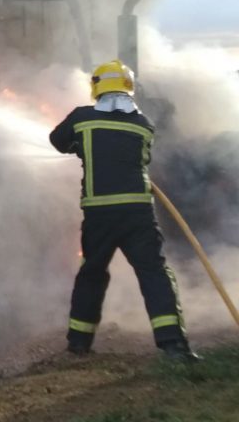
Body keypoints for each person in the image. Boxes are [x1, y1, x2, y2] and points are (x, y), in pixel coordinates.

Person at [49, 59, 199, 361]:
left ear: (97, 87)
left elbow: (57, 141)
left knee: (92, 274)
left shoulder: (82, 118)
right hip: (138, 213)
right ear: (128, 88)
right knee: (154, 273)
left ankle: (78, 344)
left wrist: (81, 146)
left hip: (99, 215)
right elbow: (141, 158)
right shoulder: (143, 125)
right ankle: (174, 345)